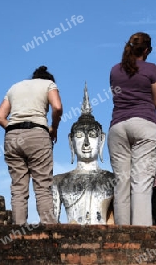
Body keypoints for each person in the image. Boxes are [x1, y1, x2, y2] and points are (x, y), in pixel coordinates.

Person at [108, 32, 156, 226]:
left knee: (121, 184)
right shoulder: (151, 69)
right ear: (147, 50)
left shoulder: (115, 70)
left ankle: (122, 236)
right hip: (145, 124)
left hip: (118, 128)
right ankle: (141, 236)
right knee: (141, 183)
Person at [0, 65, 62, 225]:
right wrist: (54, 128)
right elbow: (57, 107)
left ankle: (18, 228)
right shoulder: (48, 85)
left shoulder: (15, 87)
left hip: (12, 137)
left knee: (18, 187)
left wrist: (13, 129)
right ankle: (49, 227)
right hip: (37, 134)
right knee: (42, 184)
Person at [53, 84, 115, 224]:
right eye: (80, 135)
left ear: (101, 140)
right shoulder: (58, 182)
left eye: (92, 135)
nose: (86, 143)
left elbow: (116, 222)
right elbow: (52, 226)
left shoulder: (113, 180)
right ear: (71, 141)